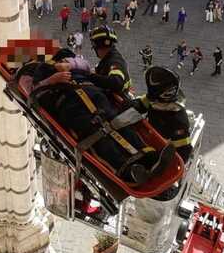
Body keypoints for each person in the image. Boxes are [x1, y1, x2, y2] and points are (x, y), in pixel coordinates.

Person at [29, 48, 173, 184]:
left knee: (119, 124)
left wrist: (68, 64)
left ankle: (151, 158)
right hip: (71, 105)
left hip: (93, 95)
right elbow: (35, 93)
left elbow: (83, 65)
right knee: (97, 138)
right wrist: (52, 80)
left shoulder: (71, 60)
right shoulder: (42, 70)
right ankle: (129, 171)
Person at [133, 67, 193, 163]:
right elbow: (139, 104)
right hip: (146, 139)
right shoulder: (154, 98)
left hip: (159, 152)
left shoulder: (178, 120)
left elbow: (182, 154)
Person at [88, 26, 131, 96]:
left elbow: (116, 82)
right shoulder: (108, 57)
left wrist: (90, 76)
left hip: (115, 103)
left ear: (99, 46)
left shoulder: (115, 61)